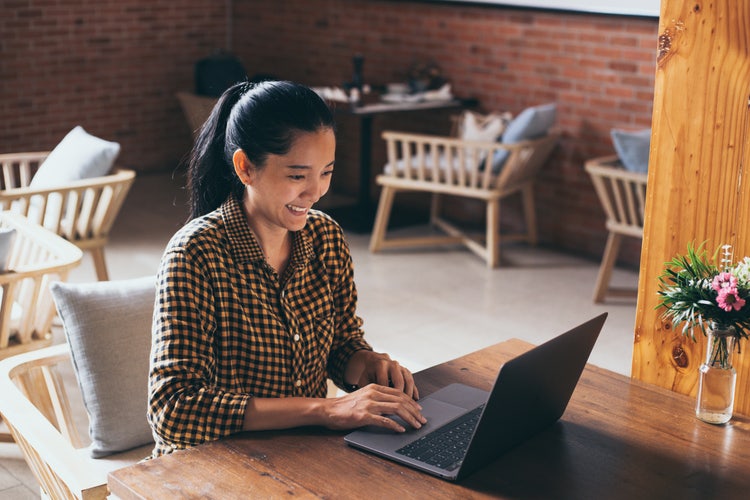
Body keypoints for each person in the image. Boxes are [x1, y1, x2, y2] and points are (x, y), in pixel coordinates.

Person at [147, 80, 426, 457]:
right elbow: (173, 410)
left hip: (302, 457)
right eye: (297, 176)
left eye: (325, 172)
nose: (315, 192)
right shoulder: (195, 254)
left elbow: (342, 344)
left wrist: (367, 366)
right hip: (215, 465)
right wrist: (326, 410)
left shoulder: (325, 237)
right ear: (246, 167)